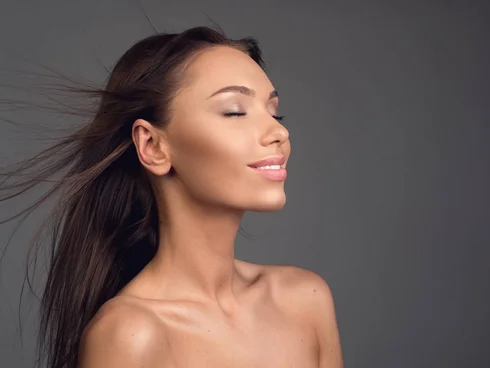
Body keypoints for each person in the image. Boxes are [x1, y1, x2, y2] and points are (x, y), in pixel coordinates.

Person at [1, 26, 343, 367]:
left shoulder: (305, 299)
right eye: (235, 111)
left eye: (273, 112)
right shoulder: (130, 335)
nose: (279, 132)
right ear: (153, 146)